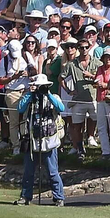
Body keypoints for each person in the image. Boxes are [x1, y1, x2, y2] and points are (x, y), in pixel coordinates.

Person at [15, 74, 66, 206]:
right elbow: (20, 108)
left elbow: (61, 108)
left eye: (43, 86)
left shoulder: (53, 97)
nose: (41, 89)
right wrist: (29, 94)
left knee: (52, 171)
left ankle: (59, 197)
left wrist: (47, 94)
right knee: (28, 172)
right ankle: (26, 196)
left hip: (49, 140)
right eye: (39, 87)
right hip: (32, 141)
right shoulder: (31, 98)